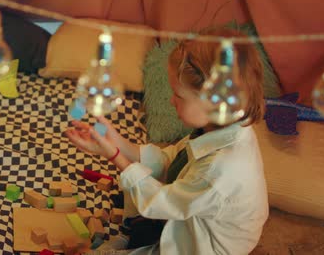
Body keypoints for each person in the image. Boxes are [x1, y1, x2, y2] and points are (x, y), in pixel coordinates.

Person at [66, 28, 269, 254]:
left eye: (179, 96)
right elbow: (170, 161)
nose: (171, 101)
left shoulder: (220, 169)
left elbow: (161, 202)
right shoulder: (219, 127)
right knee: (139, 188)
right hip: (190, 214)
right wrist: (118, 143)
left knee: (137, 193)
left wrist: (115, 157)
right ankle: (137, 234)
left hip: (204, 247)